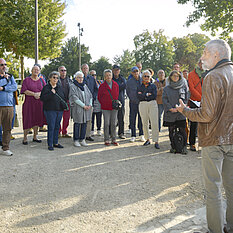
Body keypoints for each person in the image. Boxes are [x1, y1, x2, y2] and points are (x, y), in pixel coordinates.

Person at [176, 39, 233, 233]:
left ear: (217, 54)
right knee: (232, 189)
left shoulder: (213, 76)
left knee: (213, 190)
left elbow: (207, 114)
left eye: (205, 53)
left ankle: (215, 230)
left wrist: (185, 110)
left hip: (214, 140)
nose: (202, 57)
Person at [162, 70, 188, 154]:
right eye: (174, 76)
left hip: (180, 112)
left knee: (182, 129)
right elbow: (164, 100)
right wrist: (170, 108)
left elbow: (186, 98)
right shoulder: (166, 88)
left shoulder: (183, 87)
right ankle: (173, 147)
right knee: (171, 130)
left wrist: (180, 108)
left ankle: (184, 147)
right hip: (170, 113)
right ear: (170, 77)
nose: (175, 77)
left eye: (177, 76)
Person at [40, 71, 66, 151]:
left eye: (57, 78)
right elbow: (42, 98)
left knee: (57, 126)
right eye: (54, 77)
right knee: (51, 127)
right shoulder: (46, 87)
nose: (55, 79)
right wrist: (51, 93)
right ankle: (50, 144)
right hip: (50, 110)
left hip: (59, 110)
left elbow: (63, 97)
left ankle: (56, 142)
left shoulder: (59, 87)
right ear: (50, 78)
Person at [21, 65, 46, 145]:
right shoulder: (26, 80)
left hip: (39, 104)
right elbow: (24, 90)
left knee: (37, 120)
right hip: (29, 104)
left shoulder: (42, 80)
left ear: (39, 71)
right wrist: (34, 94)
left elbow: (46, 90)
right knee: (27, 119)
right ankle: (25, 138)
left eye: (37, 70)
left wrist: (40, 94)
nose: (36, 71)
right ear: (31, 71)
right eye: (34, 69)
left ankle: (35, 137)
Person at [69, 71, 92, 147]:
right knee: (77, 124)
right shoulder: (73, 86)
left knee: (84, 124)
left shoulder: (85, 86)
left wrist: (90, 105)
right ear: (75, 78)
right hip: (78, 108)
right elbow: (74, 98)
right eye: (79, 77)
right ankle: (76, 140)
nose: (80, 79)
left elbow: (90, 95)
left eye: (82, 77)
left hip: (86, 109)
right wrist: (83, 106)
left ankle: (82, 139)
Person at [137, 70, 159, 149]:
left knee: (154, 122)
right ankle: (147, 139)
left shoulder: (153, 86)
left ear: (150, 77)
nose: (146, 78)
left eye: (148, 76)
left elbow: (154, 95)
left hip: (152, 104)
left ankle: (156, 140)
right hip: (143, 104)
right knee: (144, 122)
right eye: (145, 76)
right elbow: (138, 96)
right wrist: (147, 94)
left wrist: (143, 94)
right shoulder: (139, 86)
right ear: (142, 77)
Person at [0, 58, 17, 156]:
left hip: (9, 106)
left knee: (7, 128)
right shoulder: (7, 78)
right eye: (1, 65)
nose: (4, 66)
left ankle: (5, 147)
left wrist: (3, 88)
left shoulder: (11, 76)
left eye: (5, 64)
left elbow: (14, 87)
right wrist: (5, 80)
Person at [98, 69, 119, 146]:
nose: (108, 77)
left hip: (114, 107)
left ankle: (114, 138)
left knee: (113, 123)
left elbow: (117, 95)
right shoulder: (102, 86)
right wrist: (104, 103)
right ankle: (106, 139)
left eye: (109, 75)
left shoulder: (116, 84)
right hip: (105, 107)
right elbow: (99, 97)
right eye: (106, 75)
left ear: (112, 76)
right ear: (104, 77)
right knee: (106, 123)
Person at [187, 60, 203, 151]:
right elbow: (192, 88)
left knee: (205, 124)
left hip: (206, 101)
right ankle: (192, 143)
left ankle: (204, 143)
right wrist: (201, 98)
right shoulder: (191, 74)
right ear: (198, 64)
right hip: (194, 101)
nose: (202, 65)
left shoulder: (208, 73)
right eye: (201, 63)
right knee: (193, 123)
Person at [126, 66, 145, 143]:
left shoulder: (143, 80)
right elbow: (128, 92)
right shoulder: (129, 81)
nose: (136, 73)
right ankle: (133, 135)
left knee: (141, 119)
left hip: (141, 102)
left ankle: (141, 134)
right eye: (134, 71)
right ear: (132, 73)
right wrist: (132, 99)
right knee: (132, 119)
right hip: (133, 103)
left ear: (139, 71)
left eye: (137, 71)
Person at [81, 64, 98, 141]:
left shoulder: (91, 78)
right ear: (81, 69)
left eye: (86, 68)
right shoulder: (79, 78)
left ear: (88, 69)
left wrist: (93, 98)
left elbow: (95, 89)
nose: (85, 70)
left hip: (90, 103)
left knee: (89, 120)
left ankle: (87, 135)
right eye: (84, 68)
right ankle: (80, 135)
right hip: (81, 103)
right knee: (81, 119)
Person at [112, 64, 126, 139]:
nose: (116, 71)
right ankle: (112, 133)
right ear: (112, 71)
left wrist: (116, 87)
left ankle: (121, 133)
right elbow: (111, 88)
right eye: (115, 70)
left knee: (121, 118)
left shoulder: (122, 79)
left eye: (117, 70)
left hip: (121, 101)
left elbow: (124, 86)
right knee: (112, 119)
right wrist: (118, 87)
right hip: (113, 101)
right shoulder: (111, 78)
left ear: (119, 71)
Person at [58, 66, 72, 138]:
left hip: (67, 102)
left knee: (66, 118)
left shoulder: (69, 80)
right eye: (62, 70)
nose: (63, 72)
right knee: (58, 118)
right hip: (59, 102)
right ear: (59, 72)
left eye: (64, 70)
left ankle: (64, 132)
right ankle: (58, 132)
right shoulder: (56, 80)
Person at [90, 70, 102, 136]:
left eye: (95, 75)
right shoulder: (88, 82)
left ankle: (99, 129)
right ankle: (91, 130)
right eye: (92, 75)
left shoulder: (100, 82)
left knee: (99, 116)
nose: (94, 76)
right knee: (92, 117)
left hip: (99, 101)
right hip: (91, 101)